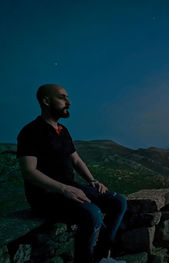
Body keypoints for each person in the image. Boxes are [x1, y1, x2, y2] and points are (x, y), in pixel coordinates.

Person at [16, 84, 127, 263]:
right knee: (92, 213)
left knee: (118, 201)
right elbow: (29, 172)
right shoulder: (30, 132)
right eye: (62, 97)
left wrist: (93, 180)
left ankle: (102, 256)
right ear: (46, 101)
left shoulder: (63, 131)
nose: (69, 102)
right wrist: (63, 189)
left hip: (70, 187)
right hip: (46, 195)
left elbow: (76, 160)